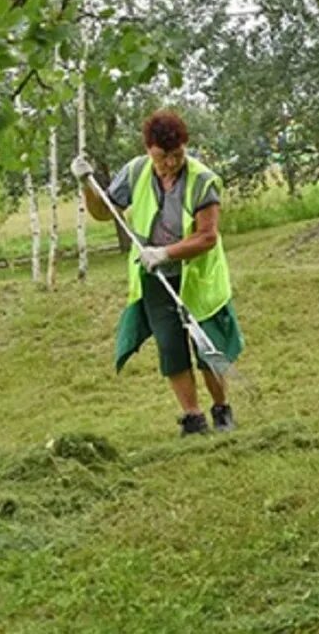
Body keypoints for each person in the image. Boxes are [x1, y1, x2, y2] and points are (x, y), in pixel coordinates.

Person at [71, 111, 245, 437]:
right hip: (155, 278)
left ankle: (222, 410)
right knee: (170, 347)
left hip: (198, 277)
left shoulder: (203, 179)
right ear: (149, 149)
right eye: (162, 157)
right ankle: (192, 418)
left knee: (207, 347)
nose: (170, 163)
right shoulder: (136, 171)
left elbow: (207, 236)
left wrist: (165, 252)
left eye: (177, 155)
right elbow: (103, 213)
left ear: (185, 146)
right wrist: (86, 185)